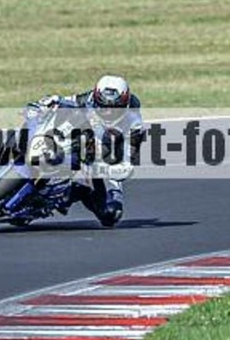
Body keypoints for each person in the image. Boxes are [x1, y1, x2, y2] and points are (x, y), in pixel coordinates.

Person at [28, 75, 145, 227]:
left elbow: (127, 164)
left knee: (111, 214)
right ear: (96, 98)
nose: (107, 112)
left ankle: (75, 192)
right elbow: (65, 101)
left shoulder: (134, 124)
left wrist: (106, 168)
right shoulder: (89, 98)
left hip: (105, 162)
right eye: (102, 106)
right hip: (80, 140)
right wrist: (49, 102)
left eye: (114, 109)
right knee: (46, 121)